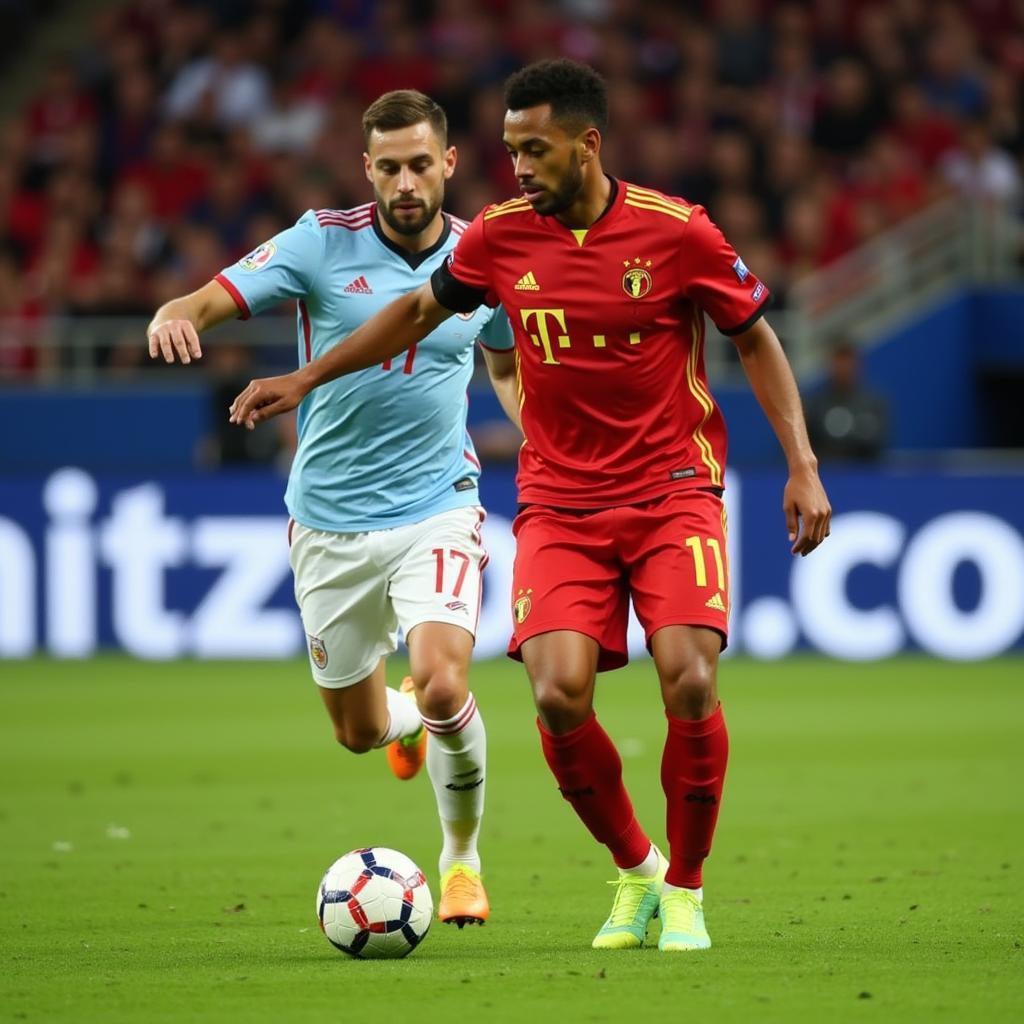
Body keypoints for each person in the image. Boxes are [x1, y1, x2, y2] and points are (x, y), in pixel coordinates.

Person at [227, 60, 832, 953]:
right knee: (554, 695)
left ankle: (690, 892)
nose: (516, 169)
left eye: (534, 150)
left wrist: (802, 464)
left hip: (671, 492)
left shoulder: (680, 234)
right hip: (560, 501)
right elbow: (413, 316)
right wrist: (305, 376)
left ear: (588, 145)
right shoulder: (499, 239)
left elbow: (757, 340)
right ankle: (638, 871)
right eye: (509, 151)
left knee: (691, 678)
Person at [147, 90, 518, 927]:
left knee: (443, 679)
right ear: (368, 169)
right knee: (357, 731)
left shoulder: (481, 256)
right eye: (388, 167)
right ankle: (407, 727)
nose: (406, 182)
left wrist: (538, 432)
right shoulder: (322, 240)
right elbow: (215, 295)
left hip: (440, 504)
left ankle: (460, 861)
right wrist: (178, 311)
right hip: (329, 518)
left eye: (421, 163)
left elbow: (502, 363)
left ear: (449, 163)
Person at [805, 340, 888, 462]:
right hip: (825, 471)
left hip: (863, 473)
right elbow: (806, 444)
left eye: (848, 362)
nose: (843, 368)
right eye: (839, 362)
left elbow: (876, 443)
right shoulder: (815, 404)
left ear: (857, 365)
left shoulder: (873, 404)